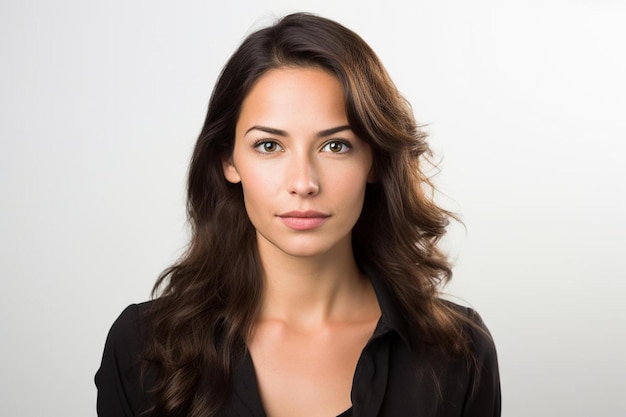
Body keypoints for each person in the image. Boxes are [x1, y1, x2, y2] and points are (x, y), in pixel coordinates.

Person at [95, 12, 501, 417]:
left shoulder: (458, 353)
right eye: (269, 146)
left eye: (335, 146)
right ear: (228, 161)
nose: (304, 183)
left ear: (374, 161)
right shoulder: (143, 349)